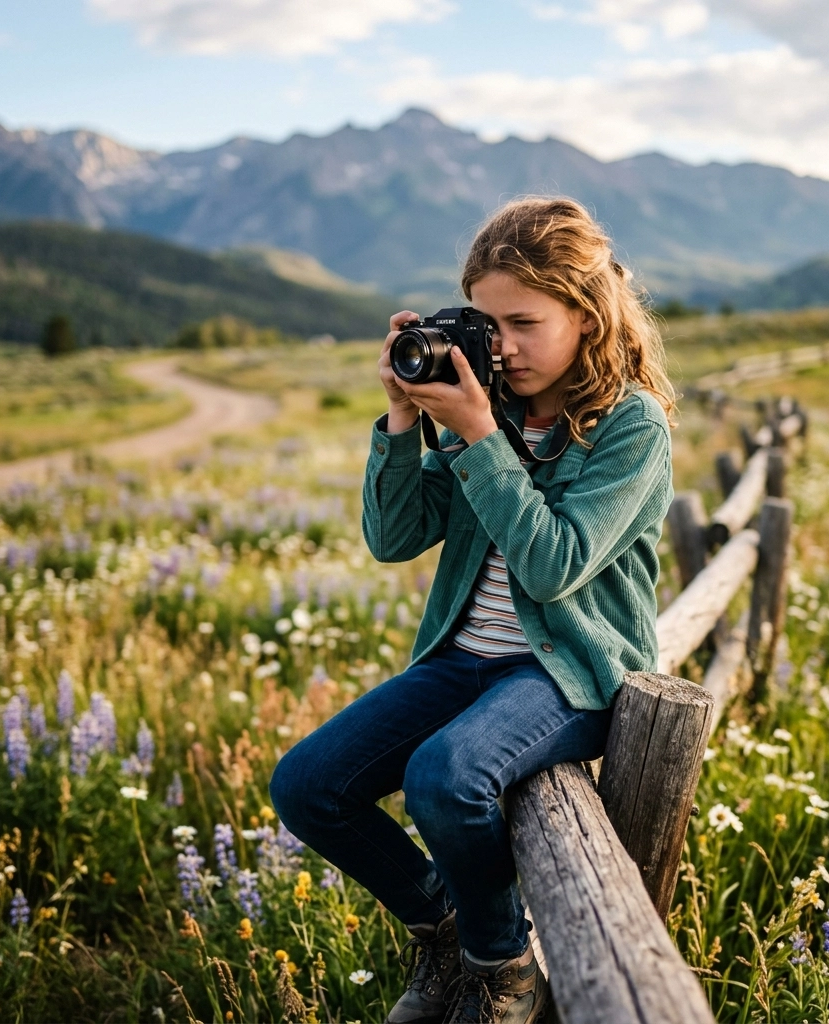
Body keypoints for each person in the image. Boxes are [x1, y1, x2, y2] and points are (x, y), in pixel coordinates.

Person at [270, 197, 676, 1024]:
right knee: (308, 786)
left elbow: (555, 564)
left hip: (569, 669)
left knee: (446, 776)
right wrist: (403, 420)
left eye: (524, 323)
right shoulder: (481, 403)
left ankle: (501, 966)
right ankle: (446, 925)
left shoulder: (629, 427)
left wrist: (482, 438)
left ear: (587, 315)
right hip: (464, 658)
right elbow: (395, 536)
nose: (504, 346)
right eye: (488, 325)